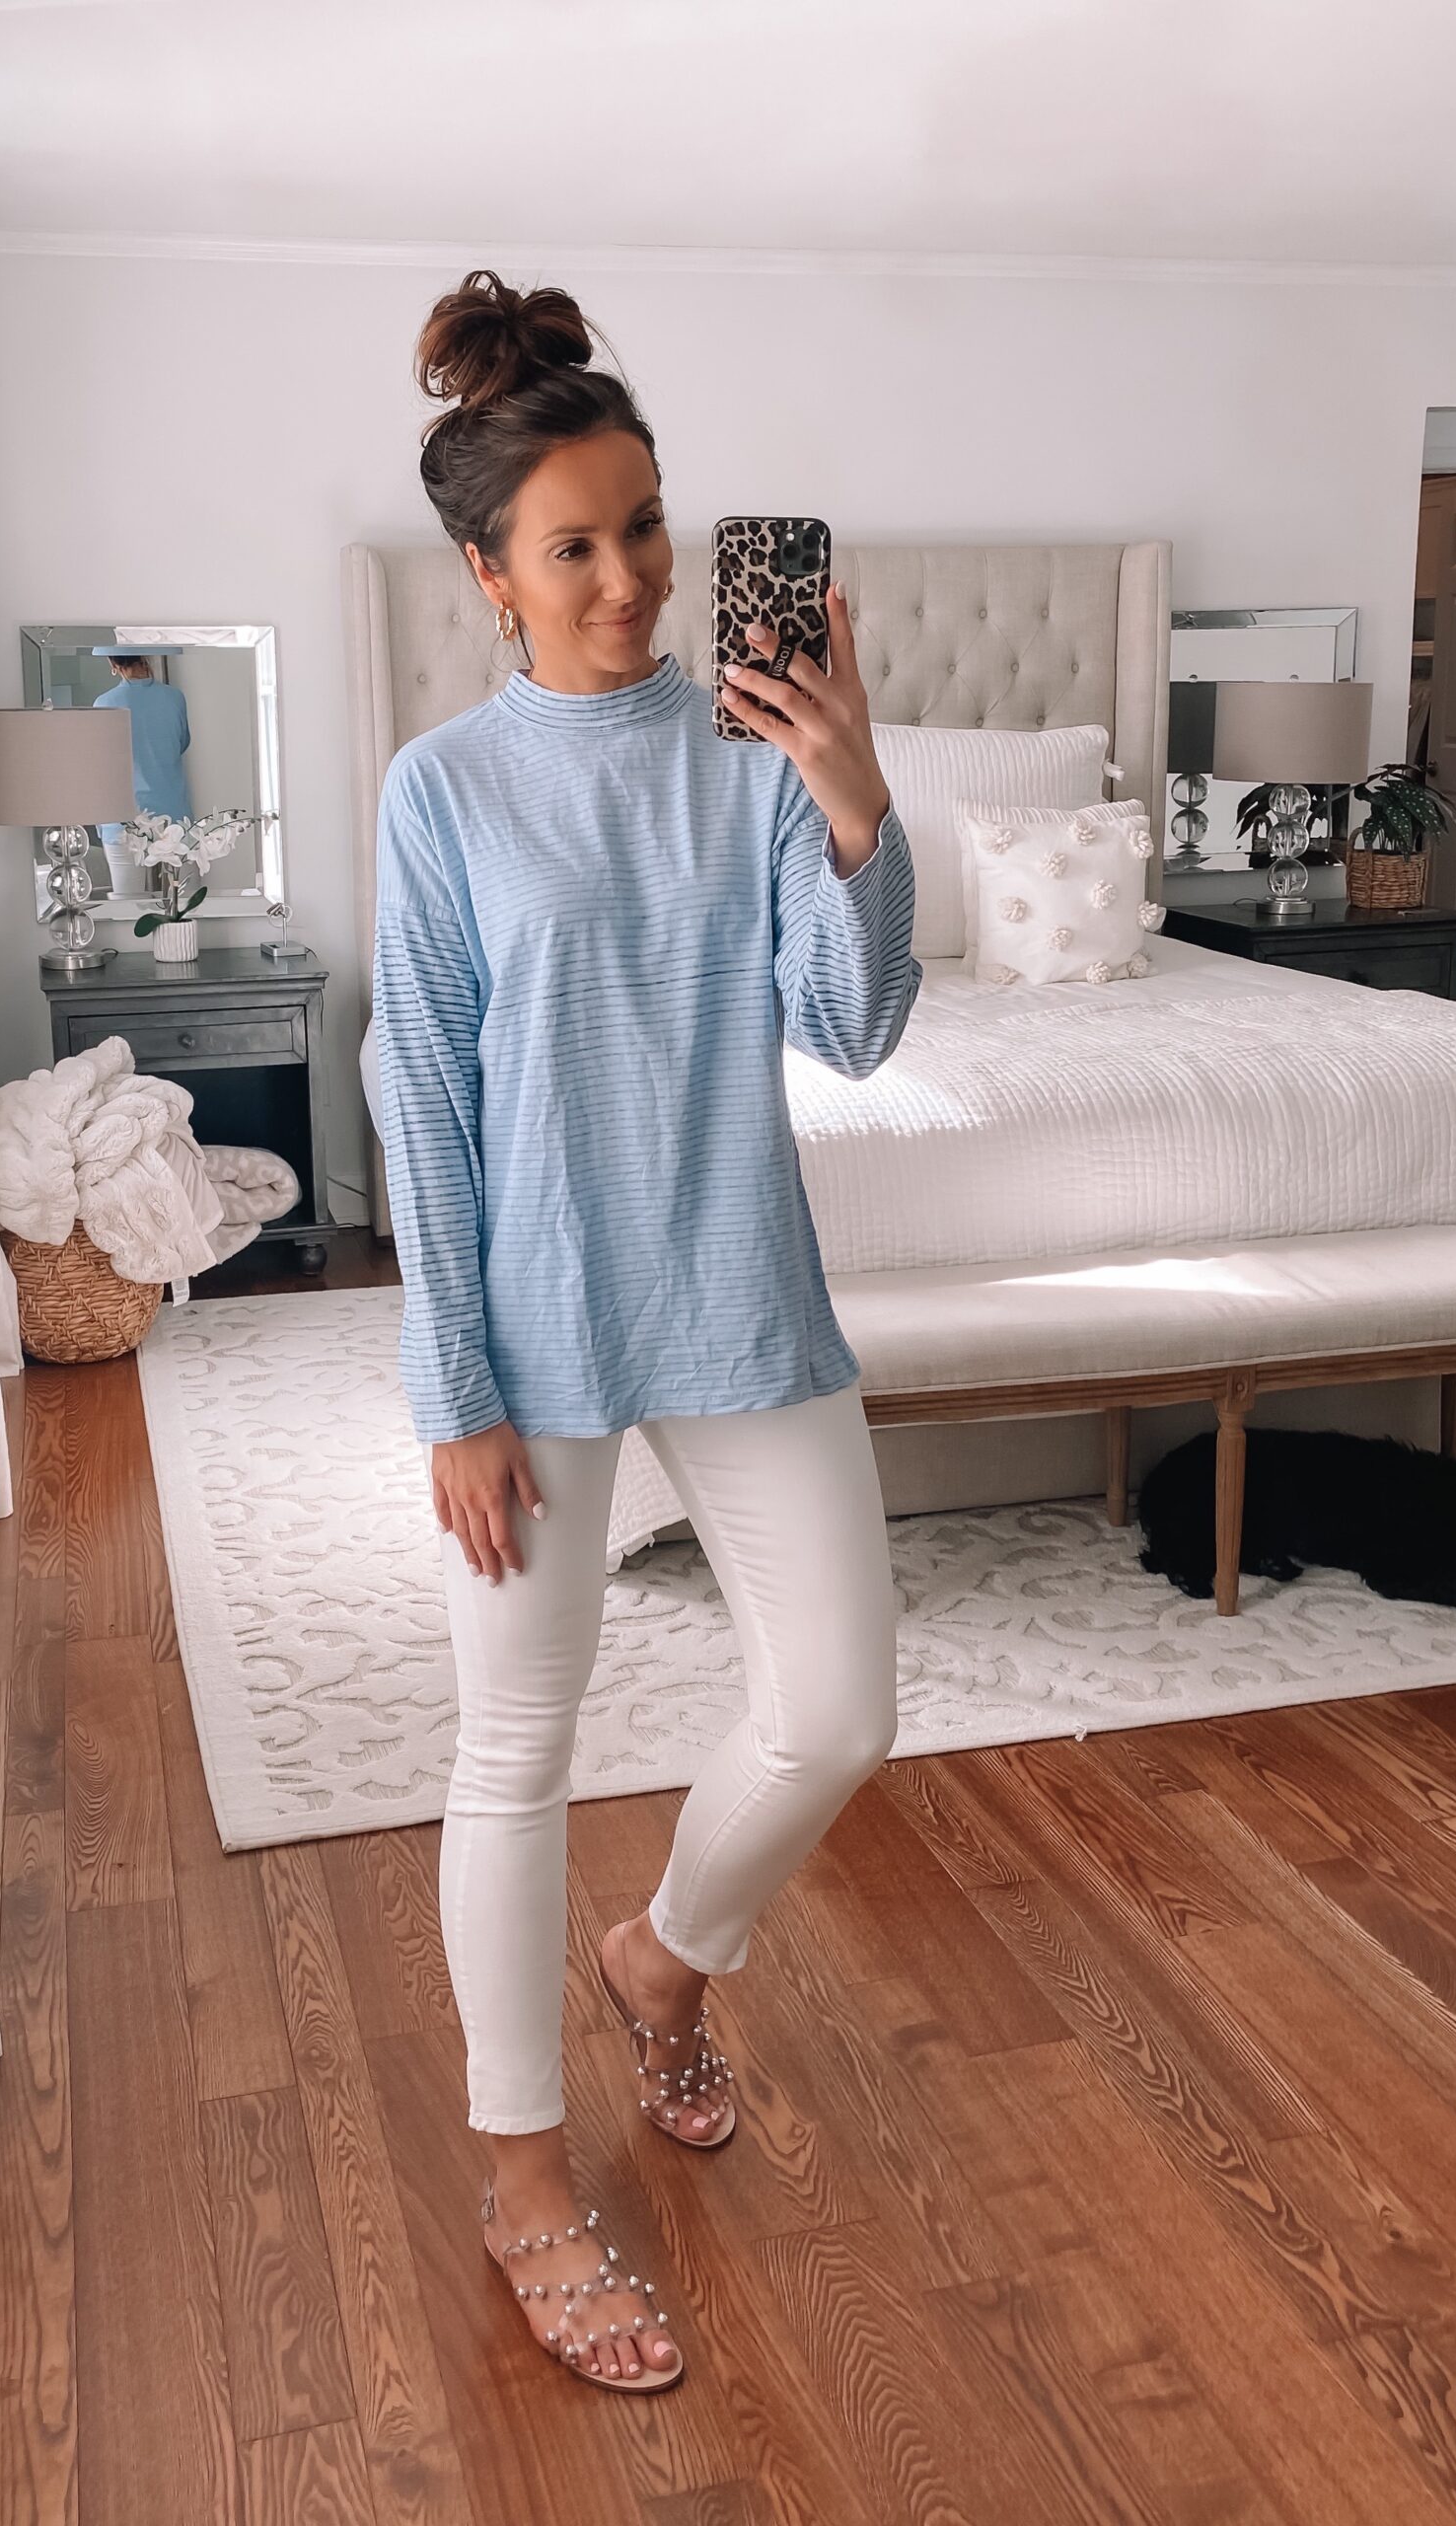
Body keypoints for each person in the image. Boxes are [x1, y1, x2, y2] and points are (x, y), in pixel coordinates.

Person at [371, 270, 921, 2396]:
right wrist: (453, 1389)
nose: (629, 579)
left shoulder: (750, 755)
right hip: (530, 1334)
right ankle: (526, 2181)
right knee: (511, 1750)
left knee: (840, 1707)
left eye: (648, 527)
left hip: (739, 1295)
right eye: (576, 545)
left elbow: (852, 1028)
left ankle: (667, 1953)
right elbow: (419, 1092)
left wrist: (856, 801)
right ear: (491, 575)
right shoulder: (441, 793)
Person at [93, 650, 191, 837]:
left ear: (112, 663)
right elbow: (181, 744)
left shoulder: (103, 704)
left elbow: (101, 765)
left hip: (121, 822)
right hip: (173, 817)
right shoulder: (174, 697)